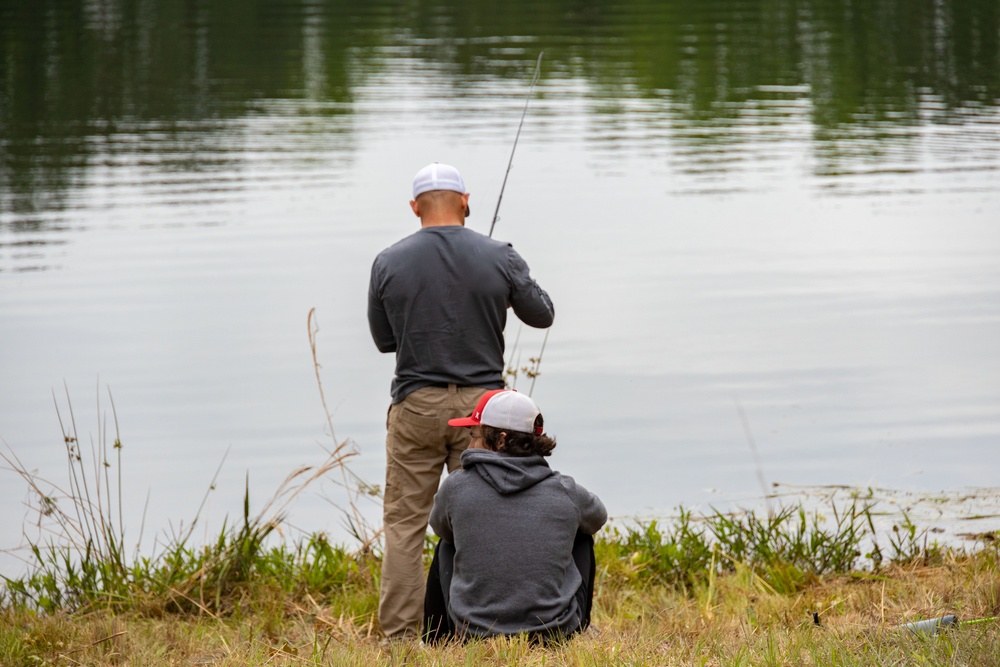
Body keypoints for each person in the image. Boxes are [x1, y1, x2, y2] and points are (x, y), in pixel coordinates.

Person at [368, 163, 555, 640]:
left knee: (405, 526)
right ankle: (490, 626)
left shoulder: (387, 261)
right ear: (465, 201)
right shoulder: (499, 254)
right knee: (493, 513)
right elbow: (542, 315)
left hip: (414, 404)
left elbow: (384, 341)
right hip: (485, 413)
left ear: (415, 208)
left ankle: (399, 640)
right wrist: (508, 276)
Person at [423, 389, 607, 642]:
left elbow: (439, 527)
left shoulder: (456, 487)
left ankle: (436, 638)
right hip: (551, 635)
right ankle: (576, 629)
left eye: (473, 436)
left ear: (499, 440)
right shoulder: (565, 490)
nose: (469, 446)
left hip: (475, 635)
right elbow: (598, 518)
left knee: (446, 544)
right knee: (582, 536)